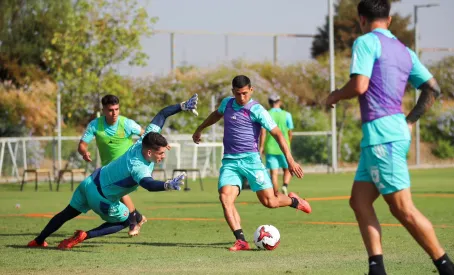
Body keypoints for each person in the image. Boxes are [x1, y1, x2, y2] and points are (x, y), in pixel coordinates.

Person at [324, 1, 454, 274]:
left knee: (403, 208)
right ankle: (377, 269)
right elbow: (433, 88)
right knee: (360, 202)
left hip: (382, 138)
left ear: (361, 19)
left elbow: (360, 85)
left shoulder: (365, 42)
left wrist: (335, 95)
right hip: (383, 136)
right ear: (388, 20)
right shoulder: (404, 51)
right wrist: (410, 121)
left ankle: (447, 267)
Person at [27, 95, 199, 249]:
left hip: (89, 181)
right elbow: (148, 184)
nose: (163, 156)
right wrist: (167, 185)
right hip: (101, 198)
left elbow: (162, 114)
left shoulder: (146, 138)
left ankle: (39, 240)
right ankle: (85, 235)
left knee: (67, 213)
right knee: (127, 221)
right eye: (160, 153)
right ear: (149, 153)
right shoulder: (138, 166)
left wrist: (182, 106)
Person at [192, 75, 310, 252]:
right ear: (233, 92)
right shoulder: (227, 103)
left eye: (245, 93)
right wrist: (200, 128)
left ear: (251, 90)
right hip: (230, 161)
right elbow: (216, 115)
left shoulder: (257, 110)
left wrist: (290, 160)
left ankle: (294, 201)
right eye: (238, 94)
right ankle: (241, 241)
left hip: (252, 161)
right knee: (225, 198)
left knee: (269, 202)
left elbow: (277, 133)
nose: (241, 97)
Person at [77, 94, 148, 237]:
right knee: (116, 193)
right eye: (110, 110)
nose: (114, 113)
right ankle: (139, 218)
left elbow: (146, 135)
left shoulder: (127, 123)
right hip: (109, 169)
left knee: (121, 192)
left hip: (129, 166)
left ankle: (133, 222)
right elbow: (82, 145)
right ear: (103, 110)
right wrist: (84, 152)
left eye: (117, 109)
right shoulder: (95, 125)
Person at [259, 94, 294, 195]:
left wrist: (261, 147)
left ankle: (276, 194)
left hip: (270, 147)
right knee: (288, 169)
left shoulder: (266, 114)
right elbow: (290, 133)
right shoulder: (287, 115)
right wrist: (288, 144)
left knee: (274, 173)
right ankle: (285, 185)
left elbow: (263, 133)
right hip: (284, 147)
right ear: (280, 102)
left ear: (269, 103)